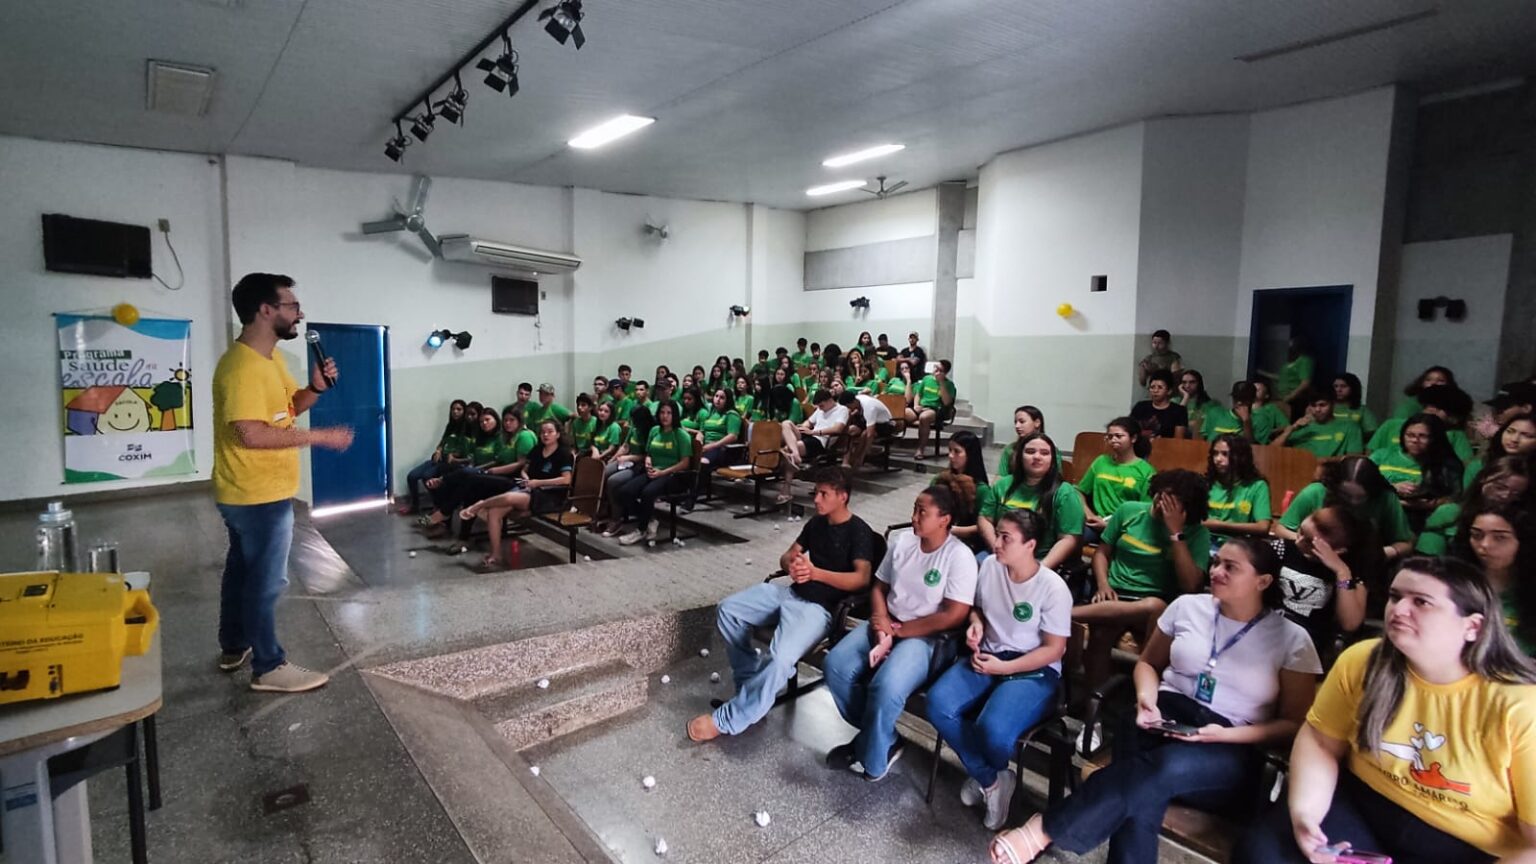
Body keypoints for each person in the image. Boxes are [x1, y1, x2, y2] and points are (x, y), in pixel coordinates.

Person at [994, 538, 1322, 864]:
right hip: (1162, 716)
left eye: (1230, 567)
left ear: (1263, 581)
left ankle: (1044, 829)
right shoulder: (1187, 607)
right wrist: (1146, 698)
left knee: (1163, 769)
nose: (1216, 571)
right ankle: (1049, 831)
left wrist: (1225, 735)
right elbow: (1149, 664)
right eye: (1217, 561)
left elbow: (1293, 725)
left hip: (1230, 742)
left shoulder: (1291, 639)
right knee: (1144, 782)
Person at [1233, 557, 1536, 864]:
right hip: (1365, 803)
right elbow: (1321, 741)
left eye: (1421, 602)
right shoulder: (1363, 660)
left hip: (1464, 844)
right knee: (1262, 852)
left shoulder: (1520, 705)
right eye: (1395, 597)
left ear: (1472, 627)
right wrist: (1305, 815)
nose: (1399, 610)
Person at [213, 272, 353, 692]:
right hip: (257, 494)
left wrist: (315, 388)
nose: (299, 313)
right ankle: (269, 666)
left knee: (241, 571)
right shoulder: (241, 368)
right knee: (266, 580)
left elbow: (289, 407)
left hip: (254, 491)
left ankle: (234, 643)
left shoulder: (270, 360)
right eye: (292, 306)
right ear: (265, 310)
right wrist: (320, 437)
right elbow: (251, 433)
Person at [689, 468, 875, 742]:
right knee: (728, 610)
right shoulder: (816, 524)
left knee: (780, 659)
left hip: (819, 609)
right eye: (816, 493)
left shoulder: (859, 531)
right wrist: (794, 564)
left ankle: (729, 719)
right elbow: (786, 556)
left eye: (824, 494)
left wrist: (816, 574)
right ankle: (750, 686)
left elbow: (862, 579)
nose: (816, 500)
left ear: (843, 497)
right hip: (790, 593)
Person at [927, 509, 1073, 829]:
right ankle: (991, 779)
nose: (997, 542)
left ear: (1030, 545)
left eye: (1007, 537)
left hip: (1033, 668)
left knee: (993, 729)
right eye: (997, 533)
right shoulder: (991, 567)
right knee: (938, 703)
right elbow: (977, 607)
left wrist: (1005, 668)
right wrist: (976, 625)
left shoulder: (1052, 587)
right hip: (990, 655)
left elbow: (1054, 649)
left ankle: (984, 776)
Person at [822, 486, 979, 781]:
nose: (914, 517)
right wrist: (880, 617)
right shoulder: (904, 541)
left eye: (923, 512)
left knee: (885, 688)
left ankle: (874, 757)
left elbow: (954, 614)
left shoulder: (959, 556)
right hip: (889, 621)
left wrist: (903, 631)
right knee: (836, 667)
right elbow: (880, 587)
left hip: (926, 636)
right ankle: (883, 738)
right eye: (914, 509)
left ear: (944, 519)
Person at [1073, 469, 1213, 696]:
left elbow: (1191, 586)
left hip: (1156, 603)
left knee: (1155, 606)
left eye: (1171, 500)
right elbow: (1101, 553)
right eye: (1160, 495)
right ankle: (1093, 711)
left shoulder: (1197, 533)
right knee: (1100, 635)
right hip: (1114, 593)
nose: (1161, 503)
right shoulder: (1129, 511)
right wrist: (1103, 584)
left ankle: (1072, 613)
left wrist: (1176, 533)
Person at [459, 419, 573, 570]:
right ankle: (496, 554)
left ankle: (479, 505)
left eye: (550, 432)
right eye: (543, 432)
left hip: (550, 496)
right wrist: (526, 477)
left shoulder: (564, 454)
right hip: (529, 489)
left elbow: (566, 480)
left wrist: (537, 483)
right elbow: (525, 469)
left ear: (558, 434)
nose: (546, 435)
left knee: (508, 497)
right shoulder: (537, 450)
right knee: (494, 512)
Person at [1269, 506, 1375, 659]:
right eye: (1300, 532)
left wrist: (1342, 573)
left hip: (1308, 646)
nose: (1299, 542)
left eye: (1308, 541)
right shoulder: (1282, 548)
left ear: (1338, 550)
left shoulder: (1350, 570)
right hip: (1270, 633)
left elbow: (1350, 623)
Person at [1275, 456, 1415, 564]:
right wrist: (1310, 544)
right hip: (1313, 566)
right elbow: (1281, 528)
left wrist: (1381, 554)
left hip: (1362, 570)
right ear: (1334, 486)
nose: (1353, 502)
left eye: (1360, 497)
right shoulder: (1314, 492)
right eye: (1346, 495)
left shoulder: (1386, 498)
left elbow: (1405, 543)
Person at [979, 433, 1084, 571]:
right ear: (1020, 457)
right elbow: (985, 518)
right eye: (1030, 452)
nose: (1037, 457)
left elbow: (1068, 539)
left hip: (1039, 560)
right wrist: (997, 548)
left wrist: (1039, 569)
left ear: (1053, 460)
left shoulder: (1065, 493)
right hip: (999, 553)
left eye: (1044, 453)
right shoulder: (1003, 485)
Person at [1453, 500, 1536, 655]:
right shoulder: (1452, 584)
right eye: (1477, 535)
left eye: (1499, 537)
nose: (1484, 545)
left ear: (1523, 541)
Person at [613, 402, 694, 546]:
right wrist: (648, 461)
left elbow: (685, 463)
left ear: (674, 415)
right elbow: (649, 452)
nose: (665, 416)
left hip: (673, 475)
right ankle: (649, 518)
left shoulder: (681, 435)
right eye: (662, 412)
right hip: (653, 471)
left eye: (669, 413)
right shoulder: (655, 430)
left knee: (647, 493)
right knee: (624, 492)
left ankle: (641, 529)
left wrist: (663, 472)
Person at [1417, 454, 1531, 556]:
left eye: (1516, 493)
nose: (1505, 496)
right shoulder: (1451, 512)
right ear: (1483, 479)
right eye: (1500, 488)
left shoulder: (1520, 521)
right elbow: (1427, 560)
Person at [1370, 413, 1463, 531]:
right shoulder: (1382, 455)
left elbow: (1454, 497)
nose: (1415, 440)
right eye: (1410, 435)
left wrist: (1424, 504)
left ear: (1434, 438)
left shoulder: (1445, 465)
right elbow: (1362, 481)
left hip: (1420, 516)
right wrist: (1392, 487)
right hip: (1379, 509)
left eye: (1423, 436)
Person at [1077, 417, 1154, 540]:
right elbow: (1079, 491)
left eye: (1119, 436)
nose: (1113, 440)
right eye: (1109, 436)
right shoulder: (1101, 462)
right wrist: (1089, 515)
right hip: (1097, 523)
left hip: (1127, 528)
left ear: (1133, 438)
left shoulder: (1146, 471)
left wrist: (1110, 526)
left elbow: (1146, 510)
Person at [1367, 384, 1476, 463]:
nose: (1455, 421)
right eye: (1452, 415)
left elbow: (1466, 465)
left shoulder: (1455, 435)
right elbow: (1370, 454)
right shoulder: (1392, 425)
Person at [778, 389, 848, 503]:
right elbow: (809, 422)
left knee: (787, 450)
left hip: (820, 440)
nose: (820, 408)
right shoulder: (820, 410)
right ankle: (796, 455)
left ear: (830, 400)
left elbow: (837, 429)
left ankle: (786, 490)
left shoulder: (842, 410)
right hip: (809, 435)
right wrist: (802, 427)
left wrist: (815, 432)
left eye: (822, 405)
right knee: (786, 423)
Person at [400, 399, 466, 515]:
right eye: (453, 409)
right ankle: (415, 506)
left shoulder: (467, 429)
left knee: (427, 477)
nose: (455, 412)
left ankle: (438, 506)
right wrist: (438, 450)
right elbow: (442, 442)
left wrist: (453, 455)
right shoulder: (450, 425)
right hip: (438, 459)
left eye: (459, 409)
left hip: (449, 463)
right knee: (412, 476)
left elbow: (465, 450)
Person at [1203, 434, 1272, 542]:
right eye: (1215, 453)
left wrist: (1220, 526)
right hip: (1205, 543)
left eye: (1225, 454)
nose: (1218, 459)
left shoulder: (1257, 486)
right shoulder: (1205, 483)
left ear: (1240, 457)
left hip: (1239, 545)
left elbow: (1263, 527)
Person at [598, 405, 653, 535]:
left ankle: (616, 519)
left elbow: (648, 455)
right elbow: (625, 446)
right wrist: (613, 460)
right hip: (626, 461)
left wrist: (629, 457)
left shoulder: (649, 431)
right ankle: (604, 510)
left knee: (613, 481)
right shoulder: (633, 429)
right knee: (603, 472)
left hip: (639, 466)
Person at [934, 431, 990, 553]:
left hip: (968, 543)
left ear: (970, 455)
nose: (950, 455)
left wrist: (952, 530)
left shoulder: (981, 490)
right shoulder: (941, 480)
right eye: (950, 450)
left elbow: (984, 526)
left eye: (957, 452)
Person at [1272, 388, 1364, 458]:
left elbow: (1354, 458)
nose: (1317, 409)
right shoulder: (1301, 427)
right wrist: (1291, 429)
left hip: (1333, 475)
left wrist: (1325, 460)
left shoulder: (1350, 427)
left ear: (1333, 404)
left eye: (1322, 405)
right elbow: (1271, 452)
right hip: (1299, 472)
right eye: (1313, 405)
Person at [1463, 412, 1536, 489]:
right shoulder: (1480, 465)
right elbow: (1468, 498)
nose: (1514, 439)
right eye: (1510, 431)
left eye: (1527, 436)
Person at [908, 359, 957, 458]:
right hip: (921, 407)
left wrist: (941, 383)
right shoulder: (926, 379)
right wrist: (916, 405)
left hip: (935, 409)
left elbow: (947, 402)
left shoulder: (949, 385)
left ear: (945, 372)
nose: (936, 371)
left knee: (924, 417)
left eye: (939, 369)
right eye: (935, 367)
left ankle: (920, 449)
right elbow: (918, 394)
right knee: (903, 413)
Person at [839, 390, 893, 470]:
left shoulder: (869, 408)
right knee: (851, 430)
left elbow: (870, 434)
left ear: (853, 402)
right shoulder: (857, 399)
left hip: (884, 424)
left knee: (865, 434)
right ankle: (846, 460)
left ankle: (859, 458)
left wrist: (864, 453)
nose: (849, 409)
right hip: (866, 420)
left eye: (849, 406)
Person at [997, 406, 1057, 476]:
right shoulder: (1010, 449)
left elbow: (1056, 478)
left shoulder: (1051, 450)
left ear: (1037, 423)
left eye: (1022, 422)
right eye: (1015, 422)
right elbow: (1000, 477)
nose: (1017, 426)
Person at [1130, 369, 1189, 440]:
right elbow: (1129, 429)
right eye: (1152, 387)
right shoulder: (1140, 406)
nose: (1155, 391)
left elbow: (1178, 440)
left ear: (1169, 391)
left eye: (1160, 387)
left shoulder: (1179, 411)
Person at [1389, 364, 1457, 421]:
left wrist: (1446, 420)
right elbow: (1398, 425)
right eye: (1428, 380)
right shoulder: (1411, 405)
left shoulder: (1454, 404)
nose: (1433, 383)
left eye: (1440, 381)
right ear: (1421, 383)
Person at [1263, 335, 1314, 406]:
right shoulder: (1287, 363)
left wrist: (1289, 397)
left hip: (1294, 400)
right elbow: (1281, 378)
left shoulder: (1304, 361)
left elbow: (1305, 383)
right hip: (1279, 398)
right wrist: (1263, 373)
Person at [1331, 373, 1379, 440]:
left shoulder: (1362, 410)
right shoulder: (1325, 407)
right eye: (1335, 386)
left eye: (1343, 386)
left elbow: (1372, 432)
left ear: (1353, 388)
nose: (1338, 390)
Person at [1178, 369, 1217, 438]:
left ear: (1199, 383)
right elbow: (1174, 422)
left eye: (1192, 382)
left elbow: (1208, 426)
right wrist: (1185, 397)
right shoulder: (1175, 401)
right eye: (1184, 382)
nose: (1187, 386)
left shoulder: (1210, 404)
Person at [1251, 379, 1292, 443]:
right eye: (1253, 388)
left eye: (1259, 389)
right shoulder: (1243, 406)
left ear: (1266, 395)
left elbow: (1286, 426)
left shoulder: (1271, 409)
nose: (1255, 390)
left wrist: (1271, 432)